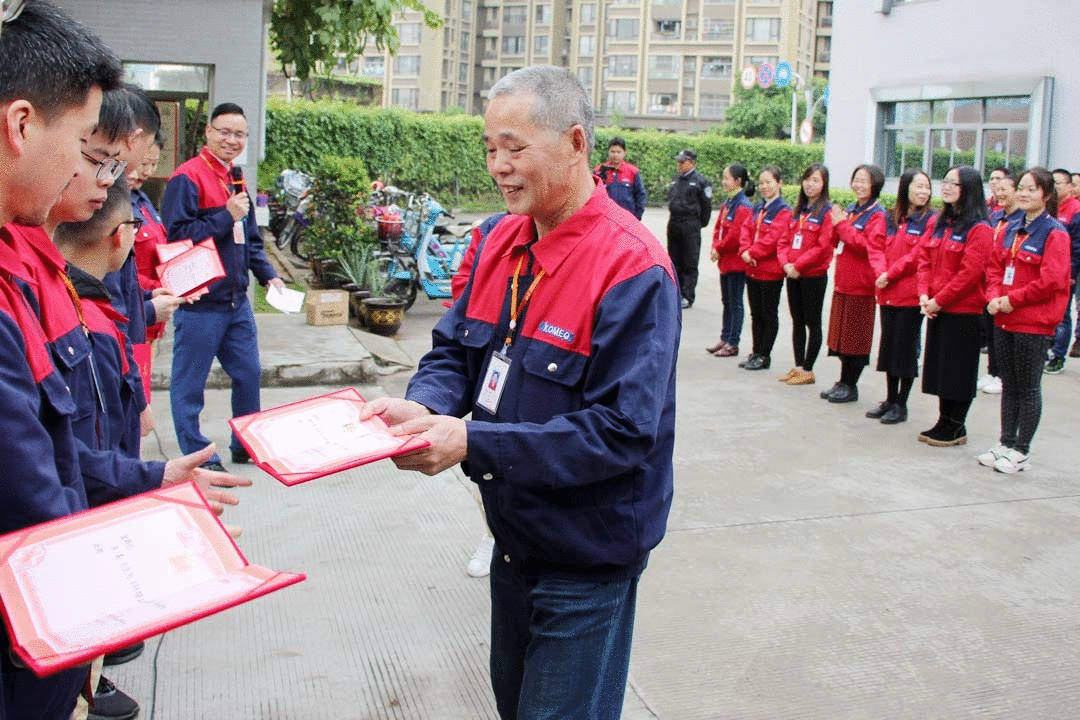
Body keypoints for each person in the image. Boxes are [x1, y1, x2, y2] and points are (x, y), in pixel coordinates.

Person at [360, 65, 680, 720]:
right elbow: (456, 350)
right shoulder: (499, 240)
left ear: (575, 143)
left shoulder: (631, 269)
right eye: (489, 149)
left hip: (585, 557)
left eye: (514, 148)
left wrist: (471, 442)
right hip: (515, 541)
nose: (498, 167)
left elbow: (621, 431)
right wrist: (426, 404)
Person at [162, 102, 284, 471]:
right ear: (208, 132)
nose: (232, 140)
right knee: (189, 385)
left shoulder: (236, 179)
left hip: (236, 301)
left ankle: (245, 442)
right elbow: (177, 238)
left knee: (248, 373)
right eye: (225, 132)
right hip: (201, 303)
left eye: (239, 134)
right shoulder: (187, 178)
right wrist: (224, 216)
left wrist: (268, 274)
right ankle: (198, 454)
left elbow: (249, 238)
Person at [982, 167, 1070, 472]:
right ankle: (1005, 442)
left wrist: (1012, 300)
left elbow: (1051, 281)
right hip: (1004, 318)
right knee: (1010, 385)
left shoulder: (1055, 232)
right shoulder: (1012, 227)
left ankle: (1021, 451)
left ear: (1046, 195)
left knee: (1028, 388)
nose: (1024, 193)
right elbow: (995, 266)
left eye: (1032, 189)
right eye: (1021, 187)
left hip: (1032, 322)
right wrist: (993, 296)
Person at [916, 165, 993, 447]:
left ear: (969, 190)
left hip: (963, 311)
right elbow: (924, 259)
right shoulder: (941, 222)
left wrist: (939, 300)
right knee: (940, 369)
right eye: (945, 181)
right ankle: (943, 420)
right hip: (937, 307)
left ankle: (956, 425)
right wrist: (924, 294)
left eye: (954, 183)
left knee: (958, 371)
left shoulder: (980, 228)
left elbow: (969, 274)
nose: (946, 187)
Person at [867, 169, 936, 425]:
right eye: (918, 186)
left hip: (910, 294)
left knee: (905, 350)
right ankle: (890, 398)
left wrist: (891, 273)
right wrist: (880, 272)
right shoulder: (890, 217)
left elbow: (919, 254)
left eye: (926, 187)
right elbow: (875, 247)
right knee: (888, 348)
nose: (923, 191)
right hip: (887, 293)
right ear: (905, 188)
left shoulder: (931, 219)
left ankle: (901, 403)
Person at [822, 164, 887, 403]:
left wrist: (841, 225)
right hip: (843, 283)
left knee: (856, 340)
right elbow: (837, 240)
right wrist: (835, 222)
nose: (858, 185)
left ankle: (851, 384)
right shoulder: (851, 210)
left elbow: (866, 246)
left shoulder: (877, 215)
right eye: (856, 180)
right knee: (841, 338)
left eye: (864, 181)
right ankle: (843, 381)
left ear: (875, 185)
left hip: (861, 286)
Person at [777, 163, 834, 386]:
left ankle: (809, 369)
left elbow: (823, 247)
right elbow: (783, 240)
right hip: (792, 274)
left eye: (816, 180)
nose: (809, 184)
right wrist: (785, 264)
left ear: (824, 184)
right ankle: (799, 366)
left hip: (812, 276)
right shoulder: (798, 210)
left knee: (812, 322)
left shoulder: (827, 212)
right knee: (797, 321)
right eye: (807, 179)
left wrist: (798, 265)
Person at [737, 165, 791, 371]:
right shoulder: (758, 207)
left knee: (768, 314)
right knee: (756, 314)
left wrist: (753, 253)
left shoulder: (783, 210)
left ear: (779, 183)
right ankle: (755, 351)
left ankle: (764, 355)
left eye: (769, 182)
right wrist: (745, 250)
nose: (764, 186)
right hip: (752, 269)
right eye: (761, 183)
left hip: (770, 271)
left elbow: (774, 238)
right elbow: (746, 229)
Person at [979, 170, 1023, 394]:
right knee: (990, 328)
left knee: (1004, 331)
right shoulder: (996, 217)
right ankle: (992, 371)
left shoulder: (1020, 220)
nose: (999, 194)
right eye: (996, 190)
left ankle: (1003, 375)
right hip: (990, 281)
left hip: (1009, 282)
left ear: (1016, 191)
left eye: (1004, 190)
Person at [707, 163, 754, 357]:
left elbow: (735, 236)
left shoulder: (743, 206)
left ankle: (733, 342)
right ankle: (725, 337)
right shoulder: (728, 203)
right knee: (726, 301)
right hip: (725, 261)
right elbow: (718, 228)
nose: (723, 181)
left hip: (736, 262)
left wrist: (718, 248)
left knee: (735, 302)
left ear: (738, 181)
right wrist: (715, 247)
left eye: (727, 178)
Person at [666, 148, 712, 309]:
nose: (679, 164)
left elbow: (706, 206)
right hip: (674, 222)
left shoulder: (700, 181)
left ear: (692, 163)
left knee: (689, 260)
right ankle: (675, 293)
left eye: (682, 161)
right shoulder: (675, 179)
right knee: (674, 259)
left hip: (690, 224)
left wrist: (697, 224)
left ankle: (687, 295)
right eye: (678, 161)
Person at [1045, 168, 1080, 372]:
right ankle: (1047, 350)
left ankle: (1058, 356)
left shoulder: (1075, 210)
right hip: (1046, 270)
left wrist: (1072, 274)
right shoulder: (1049, 207)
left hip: (1066, 272)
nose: (1054, 187)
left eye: (1058, 183)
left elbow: (1077, 247)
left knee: (1062, 314)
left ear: (1069, 186)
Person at [593, 136, 645, 219]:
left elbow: (640, 196)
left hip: (627, 219)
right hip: (604, 218)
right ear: (608, 152)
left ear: (624, 153)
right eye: (613, 151)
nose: (615, 155)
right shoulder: (598, 171)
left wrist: (637, 218)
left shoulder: (633, 172)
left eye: (619, 152)